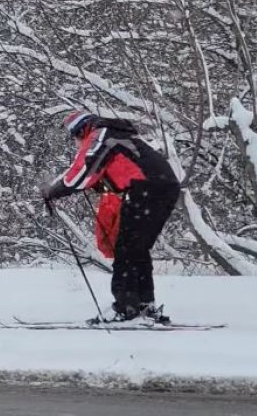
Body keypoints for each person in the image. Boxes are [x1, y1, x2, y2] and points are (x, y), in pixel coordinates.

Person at [42, 110, 181, 323]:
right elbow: (112, 169)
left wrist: (53, 190)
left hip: (145, 188)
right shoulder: (118, 135)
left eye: (74, 137)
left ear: (81, 129)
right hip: (165, 187)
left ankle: (126, 307)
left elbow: (82, 171)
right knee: (137, 248)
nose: (76, 142)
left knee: (125, 249)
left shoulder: (100, 134)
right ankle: (144, 305)